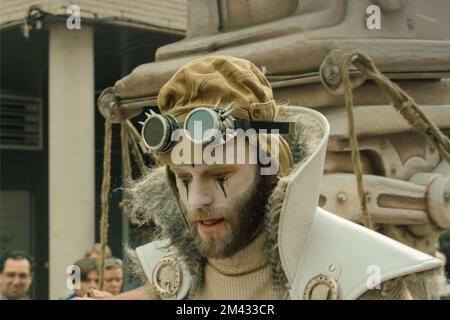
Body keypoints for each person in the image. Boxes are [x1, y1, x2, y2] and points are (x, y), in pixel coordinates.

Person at [102, 55, 443, 300]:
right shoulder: (164, 284)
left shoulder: (364, 282)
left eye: (220, 175)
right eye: (184, 179)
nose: (196, 201)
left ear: (270, 169)